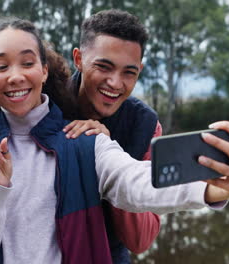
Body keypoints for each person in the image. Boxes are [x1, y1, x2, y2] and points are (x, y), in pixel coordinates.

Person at [0, 17, 229, 264]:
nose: (15, 76)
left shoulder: (91, 140)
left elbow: (137, 181)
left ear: (44, 69)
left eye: (27, 63)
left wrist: (209, 185)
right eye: (1, 66)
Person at [62, 9, 162, 262]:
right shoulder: (45, 103)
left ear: (140, 70)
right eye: (103, 67)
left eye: (129, 72)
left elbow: (141, 240)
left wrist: (110, 156)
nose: (115, 83)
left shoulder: (147, 126)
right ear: (78, 59)